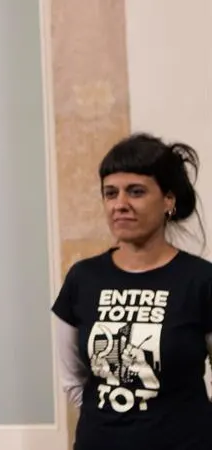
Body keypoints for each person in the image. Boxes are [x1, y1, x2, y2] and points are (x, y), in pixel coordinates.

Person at [52, 133, 212, 449]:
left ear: (169, 199)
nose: (120, 204)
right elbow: (72, 380)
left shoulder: (201, 280)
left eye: (136, 192)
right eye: (110, 193)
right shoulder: (83, 279)